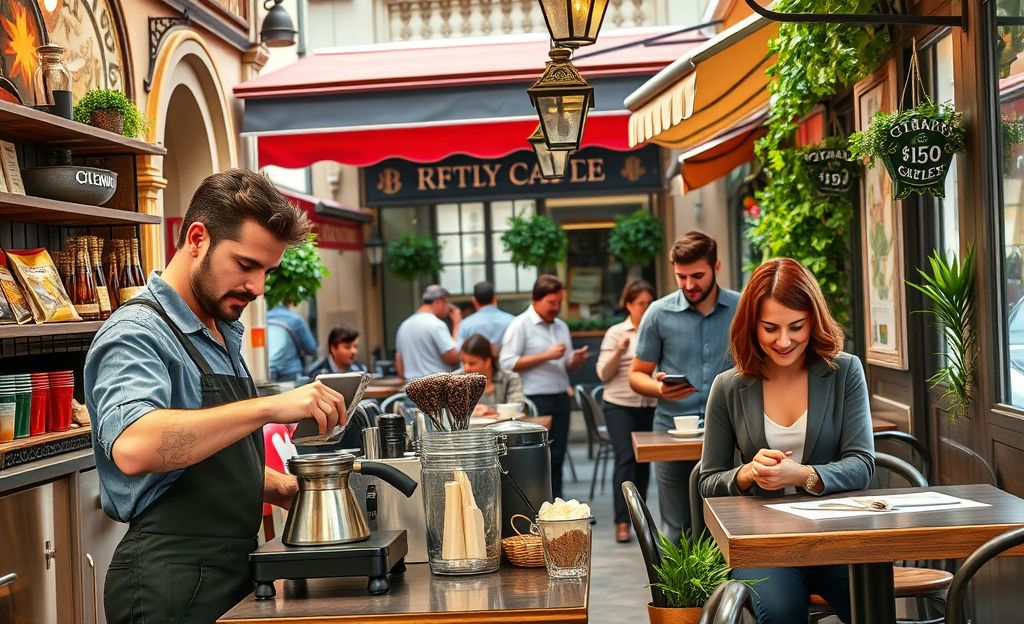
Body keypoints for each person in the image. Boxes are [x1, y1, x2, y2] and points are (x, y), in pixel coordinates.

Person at [85, 169, 347, 624]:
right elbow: (135, 446)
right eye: (246, 265)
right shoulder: (136, 333)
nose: (258, 287)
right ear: (197, 238)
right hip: (169, 582)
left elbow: (201, 461)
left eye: (267, 270)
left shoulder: (220, 332)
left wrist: (278, 486)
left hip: (232, 570)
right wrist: (269, 406)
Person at [699, 258, 874, 624]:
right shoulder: (728, 387)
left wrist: (803, 475)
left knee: (871, 605)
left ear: (813, 321)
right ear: (751, 326)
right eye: (770, 328)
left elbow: (862, 464)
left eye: (796, 326)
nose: (783, 341)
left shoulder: (844, 372)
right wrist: (746, 473)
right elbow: (707, 481)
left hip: (836, 537)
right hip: (764, 545)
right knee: (781, 613)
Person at [629, 231, 739, 544]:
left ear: (716, 266)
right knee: (677, 528)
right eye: (681, 276)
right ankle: (679, 596)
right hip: (671, 433)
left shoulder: (743, 308)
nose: (689, 285)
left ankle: (728, 594)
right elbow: (637, 374)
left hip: (733, 433)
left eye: (698, 276)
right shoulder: (658, 313)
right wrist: (658, 389)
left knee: (730, 521)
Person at [500, 275, 589, 498]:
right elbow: (506, 363)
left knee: (558, 454)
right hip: (534, 399)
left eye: (560, 302)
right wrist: (545, 356)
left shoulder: (561, 326)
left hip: (560, 396)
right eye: (552, 302)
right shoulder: (520, 325)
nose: (557, 307)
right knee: (538, 457)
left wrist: (575, 360)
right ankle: (539, 504)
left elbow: (567, 366)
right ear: (536, 299)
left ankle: (558, 502)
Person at [596, 279, 657, 544]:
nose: (645, 308)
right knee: (625, 458)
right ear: (629, 305)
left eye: (649, 303)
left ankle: (639, 520)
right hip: (619, 405)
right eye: (641, 303)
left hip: (650, 405)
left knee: (644, 462)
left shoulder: (657, 330)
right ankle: (622, 522)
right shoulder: (616, 333)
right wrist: (618, 351)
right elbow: (602, 373)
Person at [395, 285, 461, 381]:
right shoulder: (436, 325)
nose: (449, 309)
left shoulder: (404, 326)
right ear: (440, 302)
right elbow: (454, 358)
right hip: (436, 387)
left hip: (411, 388)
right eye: (448, 304)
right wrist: (457, 324)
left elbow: (400, 368)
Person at [457, 333, 526, 415]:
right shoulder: (456, 379)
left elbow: (517, 407)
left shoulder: (510, 378)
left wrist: (491, 410)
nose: (466, 368)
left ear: (488, 361)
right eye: (463, 362)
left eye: (472, 363)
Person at [267, 300, 318, 381]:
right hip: (291, 371)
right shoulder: (295, 319)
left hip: (269, 370)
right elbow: (311, 348)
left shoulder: (264, 317)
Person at [457, 281, 515, 351]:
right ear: (494, 298)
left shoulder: (466, 324)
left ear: (474, 300)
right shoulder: (512, 321)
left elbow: (459, 351)